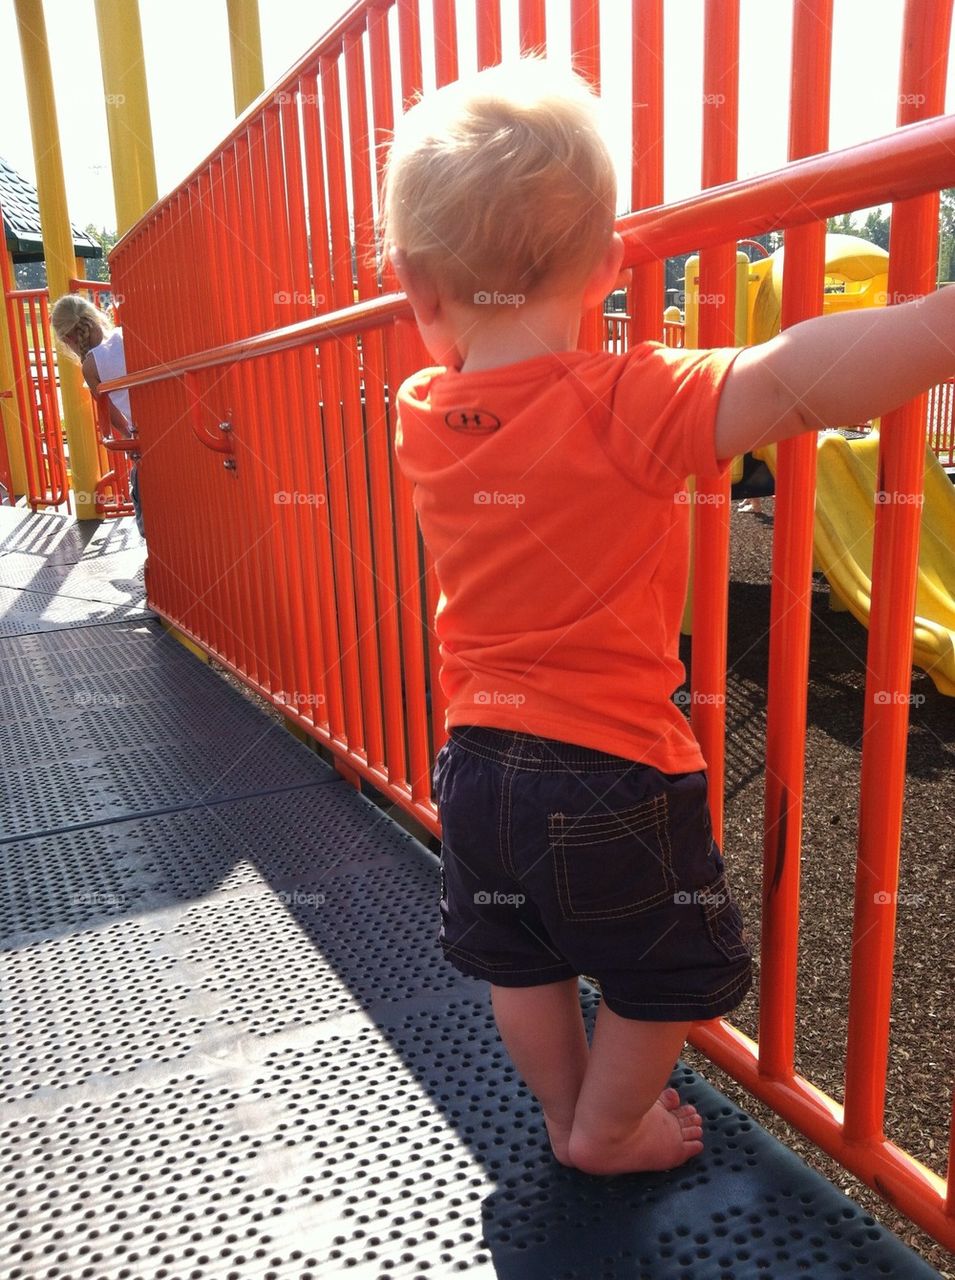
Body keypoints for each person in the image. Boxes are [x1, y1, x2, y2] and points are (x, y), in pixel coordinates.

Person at [381, 57, 952, 1176]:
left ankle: (561, 1112)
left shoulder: (420, 415)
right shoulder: (626, 396)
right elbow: (799, 377)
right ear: (607, 262)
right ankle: (606, 1127)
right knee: (666, 967)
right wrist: (936, 325)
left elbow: (469, 361)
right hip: (614, 767)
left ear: (414, 283)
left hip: (475, 766)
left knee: (523, 959)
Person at [50, 295, 144, 536]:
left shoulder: (90, 366)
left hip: (144, 437)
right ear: (95, 316)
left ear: (68, 339)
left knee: (144, 500)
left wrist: (127, 435)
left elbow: (111, 415)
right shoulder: (128, 334)